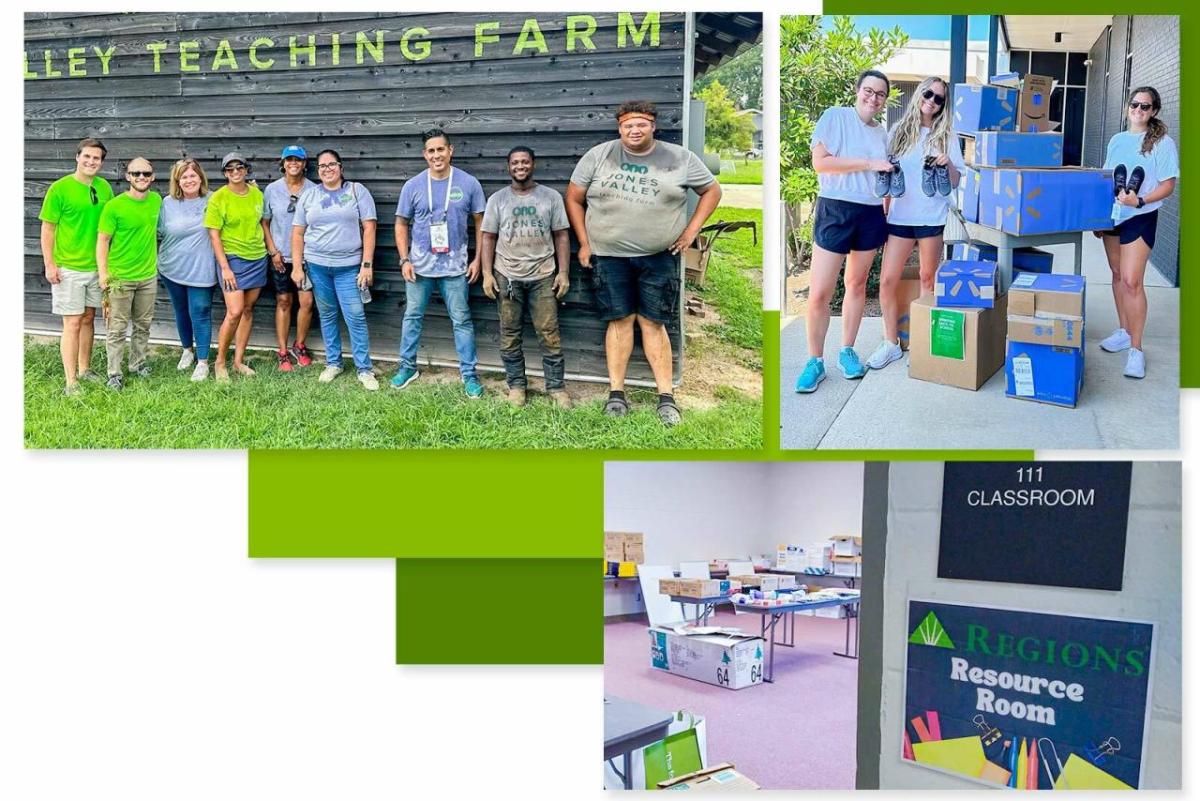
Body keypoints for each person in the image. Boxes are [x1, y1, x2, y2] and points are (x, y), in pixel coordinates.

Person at [565, 100, 721, 426]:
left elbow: (712, 191)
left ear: (653, 126)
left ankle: (666, 397)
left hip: (659, 257)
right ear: (619, 128)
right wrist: (584, 242)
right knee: (619, 321)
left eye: (641, 124)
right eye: (627, 125)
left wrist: (691, 231)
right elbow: (574, 198)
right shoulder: (599, 155)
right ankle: (616, 395)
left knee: (653, 323)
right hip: (608, 257)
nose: (634, 130)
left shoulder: (679, 158)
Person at [795, 70, 893, 394]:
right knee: (820, 292)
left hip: (870, 211)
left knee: (857, 283)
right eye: (868, 90)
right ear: (857, 90)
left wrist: (886, 206)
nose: (873, 97)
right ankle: (815, 361)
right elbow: (821, 164)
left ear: (884, 99)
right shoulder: (835, 117)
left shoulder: (883, 134)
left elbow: (887, 176)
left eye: (880, 93)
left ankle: (847, 350)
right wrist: (867, 163)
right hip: (835, 207)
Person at [868, 76, 963, 371]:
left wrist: (947, 163)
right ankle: (890, 342)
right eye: (929, 93)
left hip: (931, 217)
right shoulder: (897, 132)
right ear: (919, 93)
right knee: (887, 280)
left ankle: (923, 341)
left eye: (939, 99)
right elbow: (888, 176)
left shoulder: (946, 135)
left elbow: (957, 180)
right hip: (899, 217)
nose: (932, 101)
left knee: (928, 279)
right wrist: (883, 212)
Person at [392, 128, 487, 398]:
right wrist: (404, 259)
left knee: (462, 320)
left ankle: (469, 375)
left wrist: (478, 259)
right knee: (412, 318)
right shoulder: (413, 186)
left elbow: (481, 223)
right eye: (431, 151)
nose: (436, 155)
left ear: (450, 150)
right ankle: (407, 368)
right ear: (425, 154)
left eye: (441, 149)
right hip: (419, 267)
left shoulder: (468, 183)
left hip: (456, 267)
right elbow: (401, 223)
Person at [481, 146, 573, 408]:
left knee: (549, 333)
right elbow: (487, 237)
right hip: (507, 276)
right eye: (514, 163)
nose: (520, 166)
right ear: (508, 167)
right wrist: (487, 274)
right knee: (509, 333)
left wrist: (564, 272)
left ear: (533, 164)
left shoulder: (550, 197)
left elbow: (562, 235)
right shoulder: (498, 200)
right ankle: (517, 386)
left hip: (543, 275)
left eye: (524, 162)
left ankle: (556, 388)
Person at [1097, 86, 1178, 379]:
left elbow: (1168, 184)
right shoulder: (1117, 140)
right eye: (1135, 105)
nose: (1139, 110)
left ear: (1154, 110)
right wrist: (1098, 216)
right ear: (1128, 107)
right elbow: (1106, 179)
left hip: (1140, 216)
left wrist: (1140, 200)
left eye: (1146, 106)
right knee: (1117, 275)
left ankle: (1136, 349)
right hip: (1113, 217)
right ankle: (1123, 330)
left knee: (1132, 281)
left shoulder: (1162, 143)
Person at [290, 149, 379, 390]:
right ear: (317, 170)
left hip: (349, 267)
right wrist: (297, 266)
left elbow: (369, 228)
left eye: (332, 164)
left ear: (341, 167)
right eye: (322, 166)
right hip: (317, 266)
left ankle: (364, 369)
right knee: (327, 315)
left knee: (355, 317)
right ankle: (333, 363)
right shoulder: (309, 195)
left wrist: (366, 264)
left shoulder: (356, 191)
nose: (327, 169)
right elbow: (298, 233)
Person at [38, 137, 114, 395]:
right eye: (88, 157)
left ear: (102, 163)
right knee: (71, 322)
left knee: (89, 318)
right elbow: (48, 229)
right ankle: (71, 381)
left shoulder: (104, 188)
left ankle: (85, 368)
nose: (92, 161)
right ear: (78, 157)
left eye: (97, 158)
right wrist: (50, 264)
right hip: (69, 267)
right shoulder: (59, 189)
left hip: (96, 266)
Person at [96, 157, 163, 391]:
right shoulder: (114, 206)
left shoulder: (156, 201)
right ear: (128, 177)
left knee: (143, 324)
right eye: (136, 174)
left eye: (146, 174)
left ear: (153, 177)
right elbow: (103, 240)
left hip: (147, 276)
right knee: (117, 327)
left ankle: (138, 363)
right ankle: (114, 373)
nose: (141, 178)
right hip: (120, 277)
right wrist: (104, 274)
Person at [204, 152, 268, 382]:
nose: (235, 172)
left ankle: (238, 361)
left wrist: (271, 250)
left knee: (248, 310)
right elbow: (214, 236)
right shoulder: (219, 198)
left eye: (239, 167)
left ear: (246, 169)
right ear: (224, 173)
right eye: (230, 169)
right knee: (234, 312)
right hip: (232, 260)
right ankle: (220, 362)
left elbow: (262, 222)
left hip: (257, 257)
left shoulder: (257, 194)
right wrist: (225, 268)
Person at [158, 158, 218, 382]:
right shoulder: (167, 203)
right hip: (172, 267)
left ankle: (203, 361)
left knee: (200, 310)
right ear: (177, 181)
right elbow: (160, 231)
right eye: (184, 176)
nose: (189, 180)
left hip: (202, 268)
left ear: (200, 177)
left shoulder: (213, 199)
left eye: (193, 175)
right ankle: (187, 350)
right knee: (181, 310)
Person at [262, 145, 318, 372]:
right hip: (280, 256)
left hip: (307, 257)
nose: (293, 163)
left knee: (306, 302)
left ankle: (300, 345)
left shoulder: (315, 189)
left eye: (298, 160)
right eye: (289, 159)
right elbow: (264, 223)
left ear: (305, 164)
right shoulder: (272, 190)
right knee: (284, 301)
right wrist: (273, 251)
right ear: (283, 163)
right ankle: (283, 350)